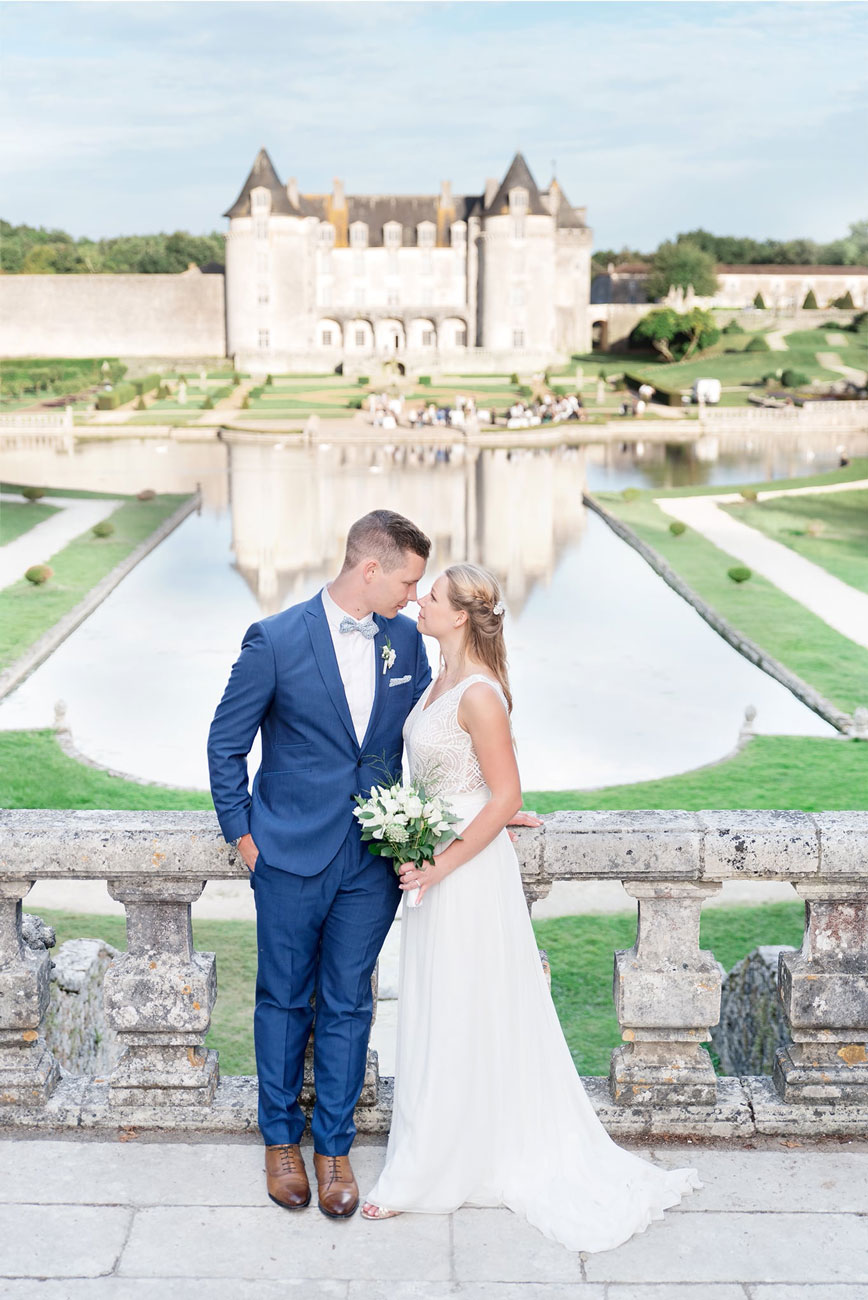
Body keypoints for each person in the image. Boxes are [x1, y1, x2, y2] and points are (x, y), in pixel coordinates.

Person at [361, 563, 700, 1252]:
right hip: (439, 860)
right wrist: (437, 825)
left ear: (459, 615)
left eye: (430, 596)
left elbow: (506, 794)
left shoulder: (480, 692)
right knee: (443, 1005)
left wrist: (441, 858)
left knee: (461, 1004)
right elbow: (472, 781)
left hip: (461, 873)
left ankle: (424, 1172)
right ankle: (449, 1145)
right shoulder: (438, 680)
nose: (417, 603)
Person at [207, 510, 433, 1219]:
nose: (415, 597)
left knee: (348, 1001)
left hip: (371, 861)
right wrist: (246, 842)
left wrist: (486, 802)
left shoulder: (405, 641)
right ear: (371, 569)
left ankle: (333, 1149)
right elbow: (225, 745)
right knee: (282, 999)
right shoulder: (273, 640)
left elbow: (428, 737)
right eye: (408, 580)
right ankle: (280, 1142)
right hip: (288, 855)